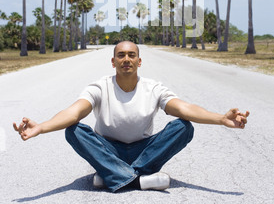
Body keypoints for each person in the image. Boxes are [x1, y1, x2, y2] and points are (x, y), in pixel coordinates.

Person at [13, 41, 250, 193]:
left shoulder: (153, 88)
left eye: (131, 55)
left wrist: (221, 118)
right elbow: (73, 112)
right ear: (113, 61)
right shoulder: (99, 87)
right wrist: (41, 127)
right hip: (108, 149)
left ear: (139, 60)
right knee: (73, 129)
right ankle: (138, 180)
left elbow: (186, 109)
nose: (126, 59)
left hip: (145, 150)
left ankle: (112, 175)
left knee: (184, 127)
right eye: (121, 55)